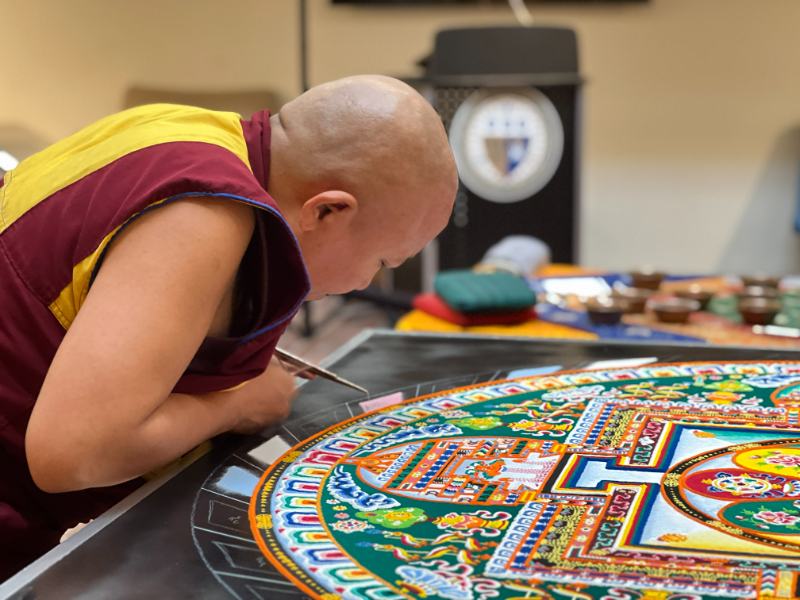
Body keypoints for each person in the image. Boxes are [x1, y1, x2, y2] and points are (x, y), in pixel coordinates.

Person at [0, 75, 457, 578]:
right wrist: (235, 402)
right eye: (382, 260)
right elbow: (73, 454)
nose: (367, 281)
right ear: (326, 210)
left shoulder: (186, 127)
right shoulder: (204, 211)